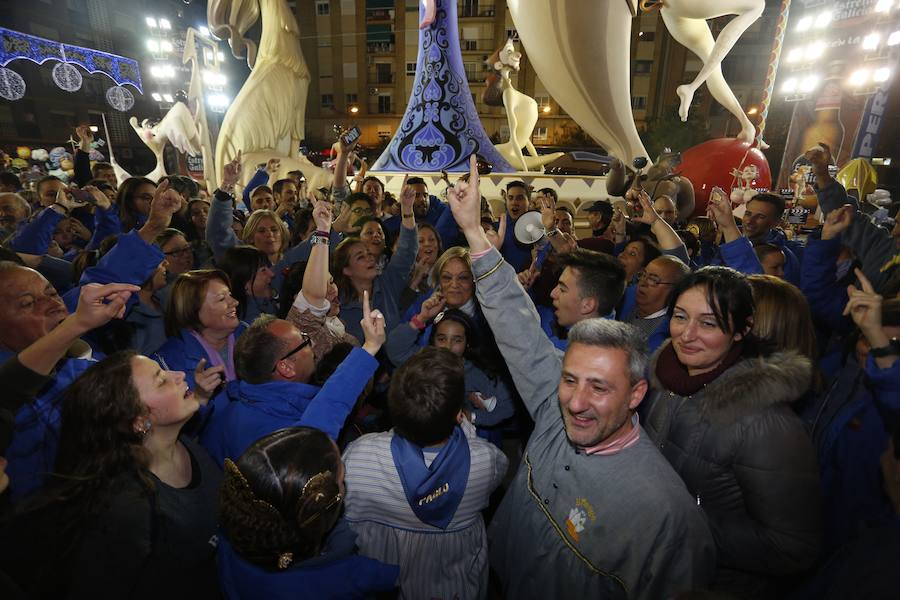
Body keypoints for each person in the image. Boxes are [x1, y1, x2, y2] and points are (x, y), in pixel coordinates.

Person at [446, 156, 716, 599]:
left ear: (636, 394)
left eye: (600, 387)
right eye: (569, 380)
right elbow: (520, 332)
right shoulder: (554, 410)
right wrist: (474, 233)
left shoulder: (666, 515)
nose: (575, 401)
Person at [641, 267, 823, 598]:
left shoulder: (766, 423)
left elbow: (793, 547)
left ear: (742, 330)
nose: (687, 334)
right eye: (680, 316)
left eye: (709, 323)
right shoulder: (664, 374)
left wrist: (680, 523)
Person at [0, 349, 223, 598]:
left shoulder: (184, 443)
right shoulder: (124, 508)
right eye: (161, 380)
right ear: (138, 421)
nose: (180, 374)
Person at [342, 346, 508, 600]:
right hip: (452, 583)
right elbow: (498, 472)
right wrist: (465, 426)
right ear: (456, 414)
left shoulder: (358, 456)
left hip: (381, 578)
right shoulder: (486, 461)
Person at [200, 293, 384, 466]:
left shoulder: (227, 408)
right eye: (304, 340)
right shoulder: (279, 434)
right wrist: (370, 346)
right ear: (286, 367)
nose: (312, 343)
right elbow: (325, 414)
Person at [217, 428, 400, 599]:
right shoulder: (357, 578)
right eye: (342, 479)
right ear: (320, 511)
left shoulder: (236, 532)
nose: (345, 481)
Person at [331, 177, 418, 343]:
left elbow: (407, 251)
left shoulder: (387, 284)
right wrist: (331, 229)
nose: (369, 258)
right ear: (346, 268)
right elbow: (309, 252)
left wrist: (407, 210)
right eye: (360, 256)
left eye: (369, 254)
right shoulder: (335, 299)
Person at [285, 201, 359, 363]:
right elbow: (313, 295)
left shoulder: (344, 333)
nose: (332, 290)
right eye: (322, 286)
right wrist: (323, 231)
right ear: (299, 299)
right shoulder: (302, 331)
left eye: (331, 282)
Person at [155, 269, 247, 391]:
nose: (235, 302)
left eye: (229, 295)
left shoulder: (255, 337)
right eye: (221, 299)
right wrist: (199, 398)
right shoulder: (167, 364)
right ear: (193, 310)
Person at [625, 255, 690, 346]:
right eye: (643, 275)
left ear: (674, 290)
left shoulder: (664, 335)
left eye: (653, 279)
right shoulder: (626, 304)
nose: (643, 282)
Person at [218, 246, 277, 323]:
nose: (272, 274)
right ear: (244, 284)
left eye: (268, 267)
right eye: (263, 270)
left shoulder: (264, 304)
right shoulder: (252, 323)